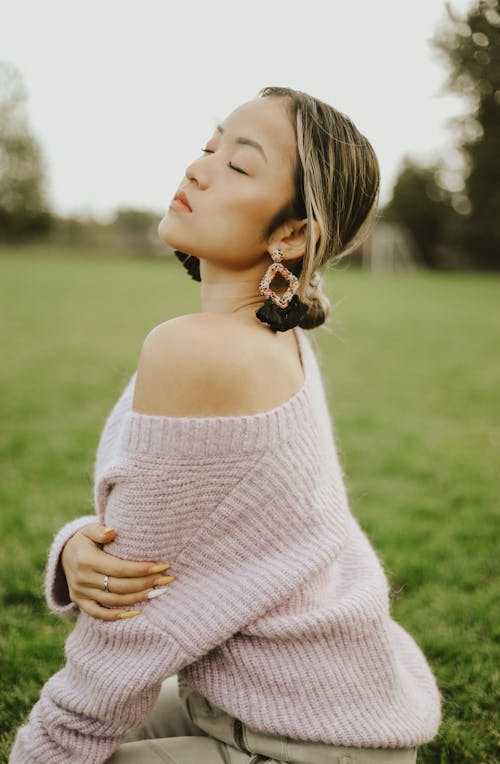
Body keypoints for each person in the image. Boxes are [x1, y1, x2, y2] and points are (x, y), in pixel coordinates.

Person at [9, 86, 441, 764]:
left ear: (292, 233)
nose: (198, 168)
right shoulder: (272, 336)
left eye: (238, 165)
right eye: (209, 146)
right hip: (303, 702)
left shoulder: (200, 348)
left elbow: (129, 632)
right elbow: (201, 542)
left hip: (306, 742)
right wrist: (75, 548)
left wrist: (45, 753)